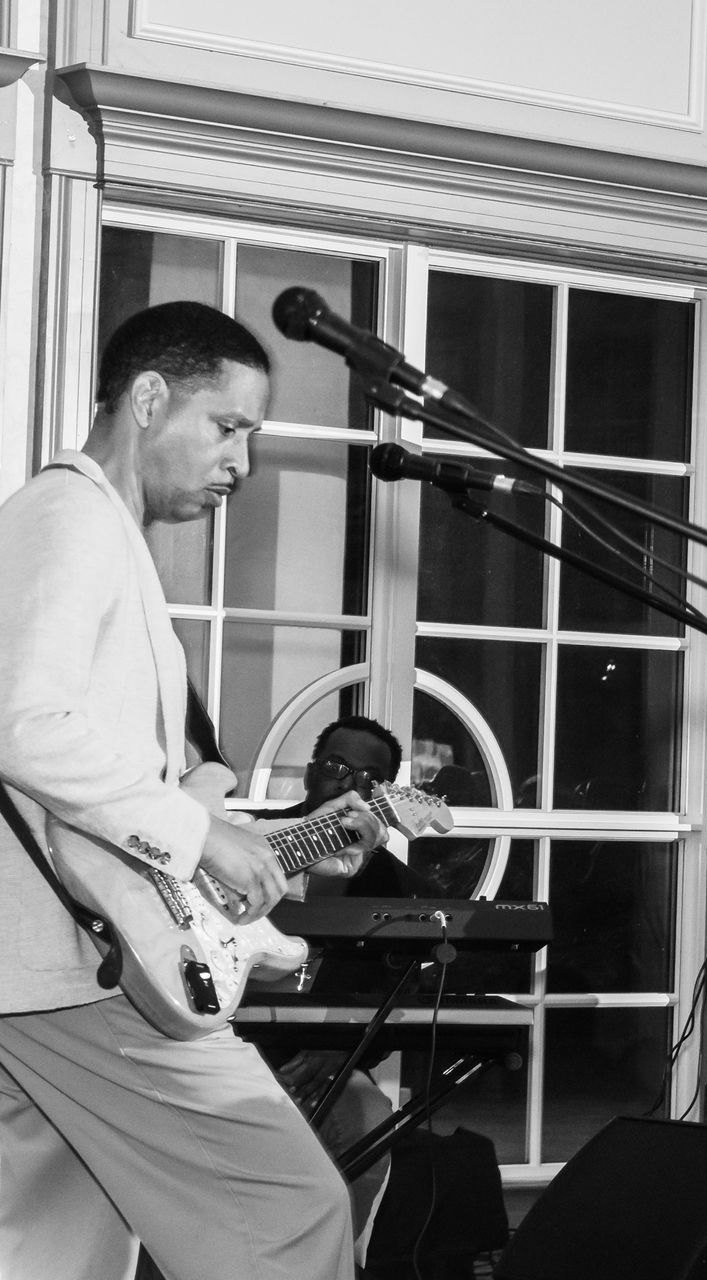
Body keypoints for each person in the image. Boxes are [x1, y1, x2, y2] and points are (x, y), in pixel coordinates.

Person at [0, 301, 386, 1280]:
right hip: (79, 971)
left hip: (47, 970)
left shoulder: (92, 528)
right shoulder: (70, 517)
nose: (241, 463)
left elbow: (106, 773)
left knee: (55, 1251)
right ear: (147, 399)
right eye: (228, 426)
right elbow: (22, 723)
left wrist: (235, 832)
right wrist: (199, 834)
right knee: (293, 1215)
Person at [252, 713, 430, 1251]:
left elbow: (399, 993)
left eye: (368, 777)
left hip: (325, 1057)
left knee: (369, 1121)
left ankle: (329, 1264)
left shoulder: (395, 885)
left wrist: (342, 1051)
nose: (349, 783)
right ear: (311, 773)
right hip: (228, 1043)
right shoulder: (250, 842)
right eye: (336, 766)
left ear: (384, 793)